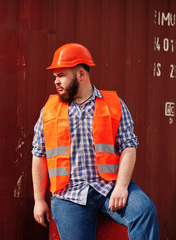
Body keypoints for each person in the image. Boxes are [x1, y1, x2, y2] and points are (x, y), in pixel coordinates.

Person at [31, 43, 159, 240]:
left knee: (144, 210)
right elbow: (39, 154)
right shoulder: (49, 111)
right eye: (55, 76)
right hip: (69, 196)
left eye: (61, 75)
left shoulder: (114, 105)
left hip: (108, 188)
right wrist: (39, 200)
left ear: (81, 75)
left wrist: (122, 187)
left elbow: (128, 146)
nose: (56, 81)